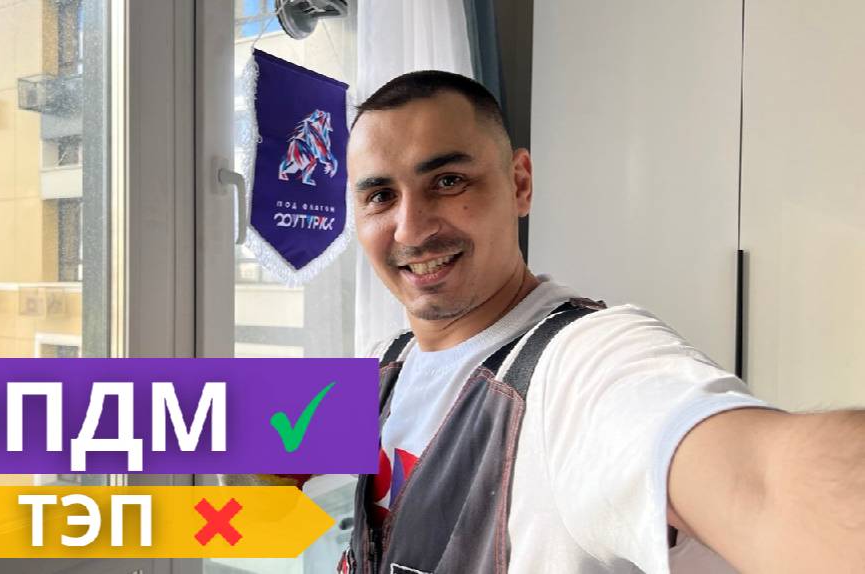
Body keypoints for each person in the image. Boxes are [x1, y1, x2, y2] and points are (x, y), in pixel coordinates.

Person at [338, 70, 865, 573]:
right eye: (380, 196)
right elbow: (281, 455)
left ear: (520, 184)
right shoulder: (386, 361)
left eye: (448, 181)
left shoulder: (581, 365)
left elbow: (763, 485)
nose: (410, 230)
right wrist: (289, 511)